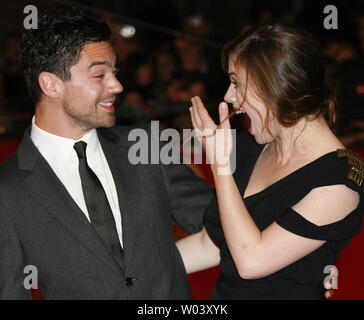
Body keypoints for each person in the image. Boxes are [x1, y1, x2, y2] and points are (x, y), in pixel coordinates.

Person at [0, 8, 213, 299]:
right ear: (51, 85)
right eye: (99, 74)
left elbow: (227, 226)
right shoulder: (7, 189)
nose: (117, 86)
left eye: (115, 73)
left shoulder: (147, 148)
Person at [177, 22, 363, 299]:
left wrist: (221, 167)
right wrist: (125, 271)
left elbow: (252, 261)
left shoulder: (339, 179)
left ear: (279, 86)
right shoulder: (251, 148)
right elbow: (212, 244)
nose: (229, 97)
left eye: (236, 83)